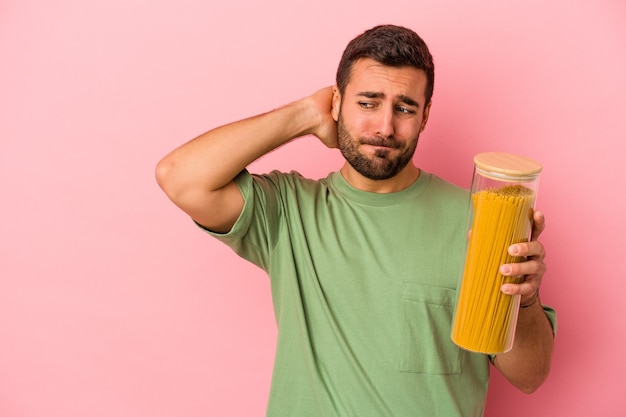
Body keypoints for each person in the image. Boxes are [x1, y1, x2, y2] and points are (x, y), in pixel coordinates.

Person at [156, 24, 556, 417]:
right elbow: (180, 177)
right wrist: (304, 115)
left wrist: (526, 300)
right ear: (336, 104)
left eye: (404, 108)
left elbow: (530, 377)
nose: (384, 127)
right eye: (367, 102)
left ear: (425, 115)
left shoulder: (478, 221)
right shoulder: (289, 212)